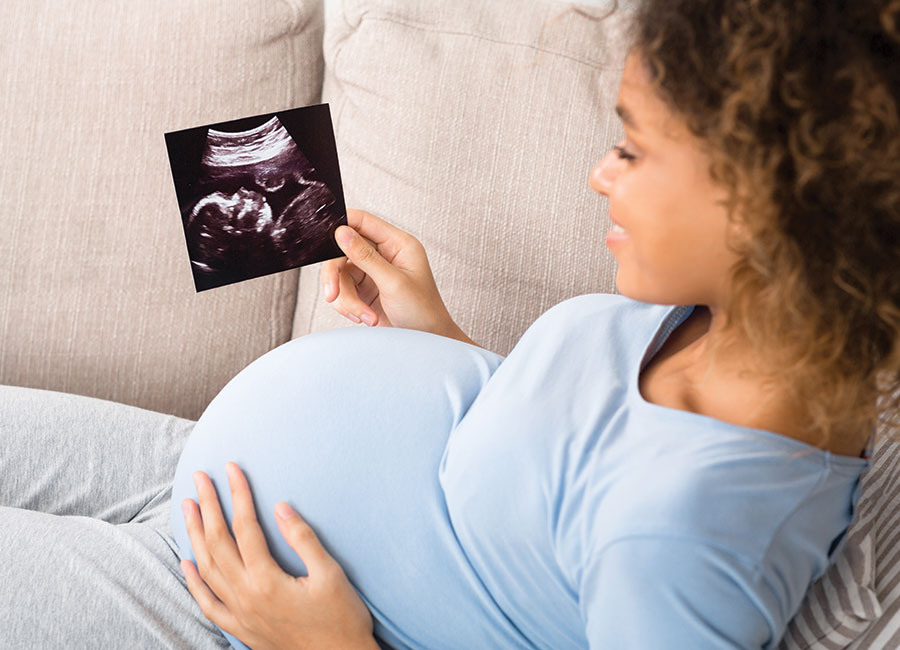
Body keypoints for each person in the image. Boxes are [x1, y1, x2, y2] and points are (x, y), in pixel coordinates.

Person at [1, 0, 897, 648]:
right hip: (199, 468)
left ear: (763, 207)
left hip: (212, 601)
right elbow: (549, 477)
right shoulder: (723, 320)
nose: (599, 174)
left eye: (630, 147)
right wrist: (432, 333)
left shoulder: (683, 537)